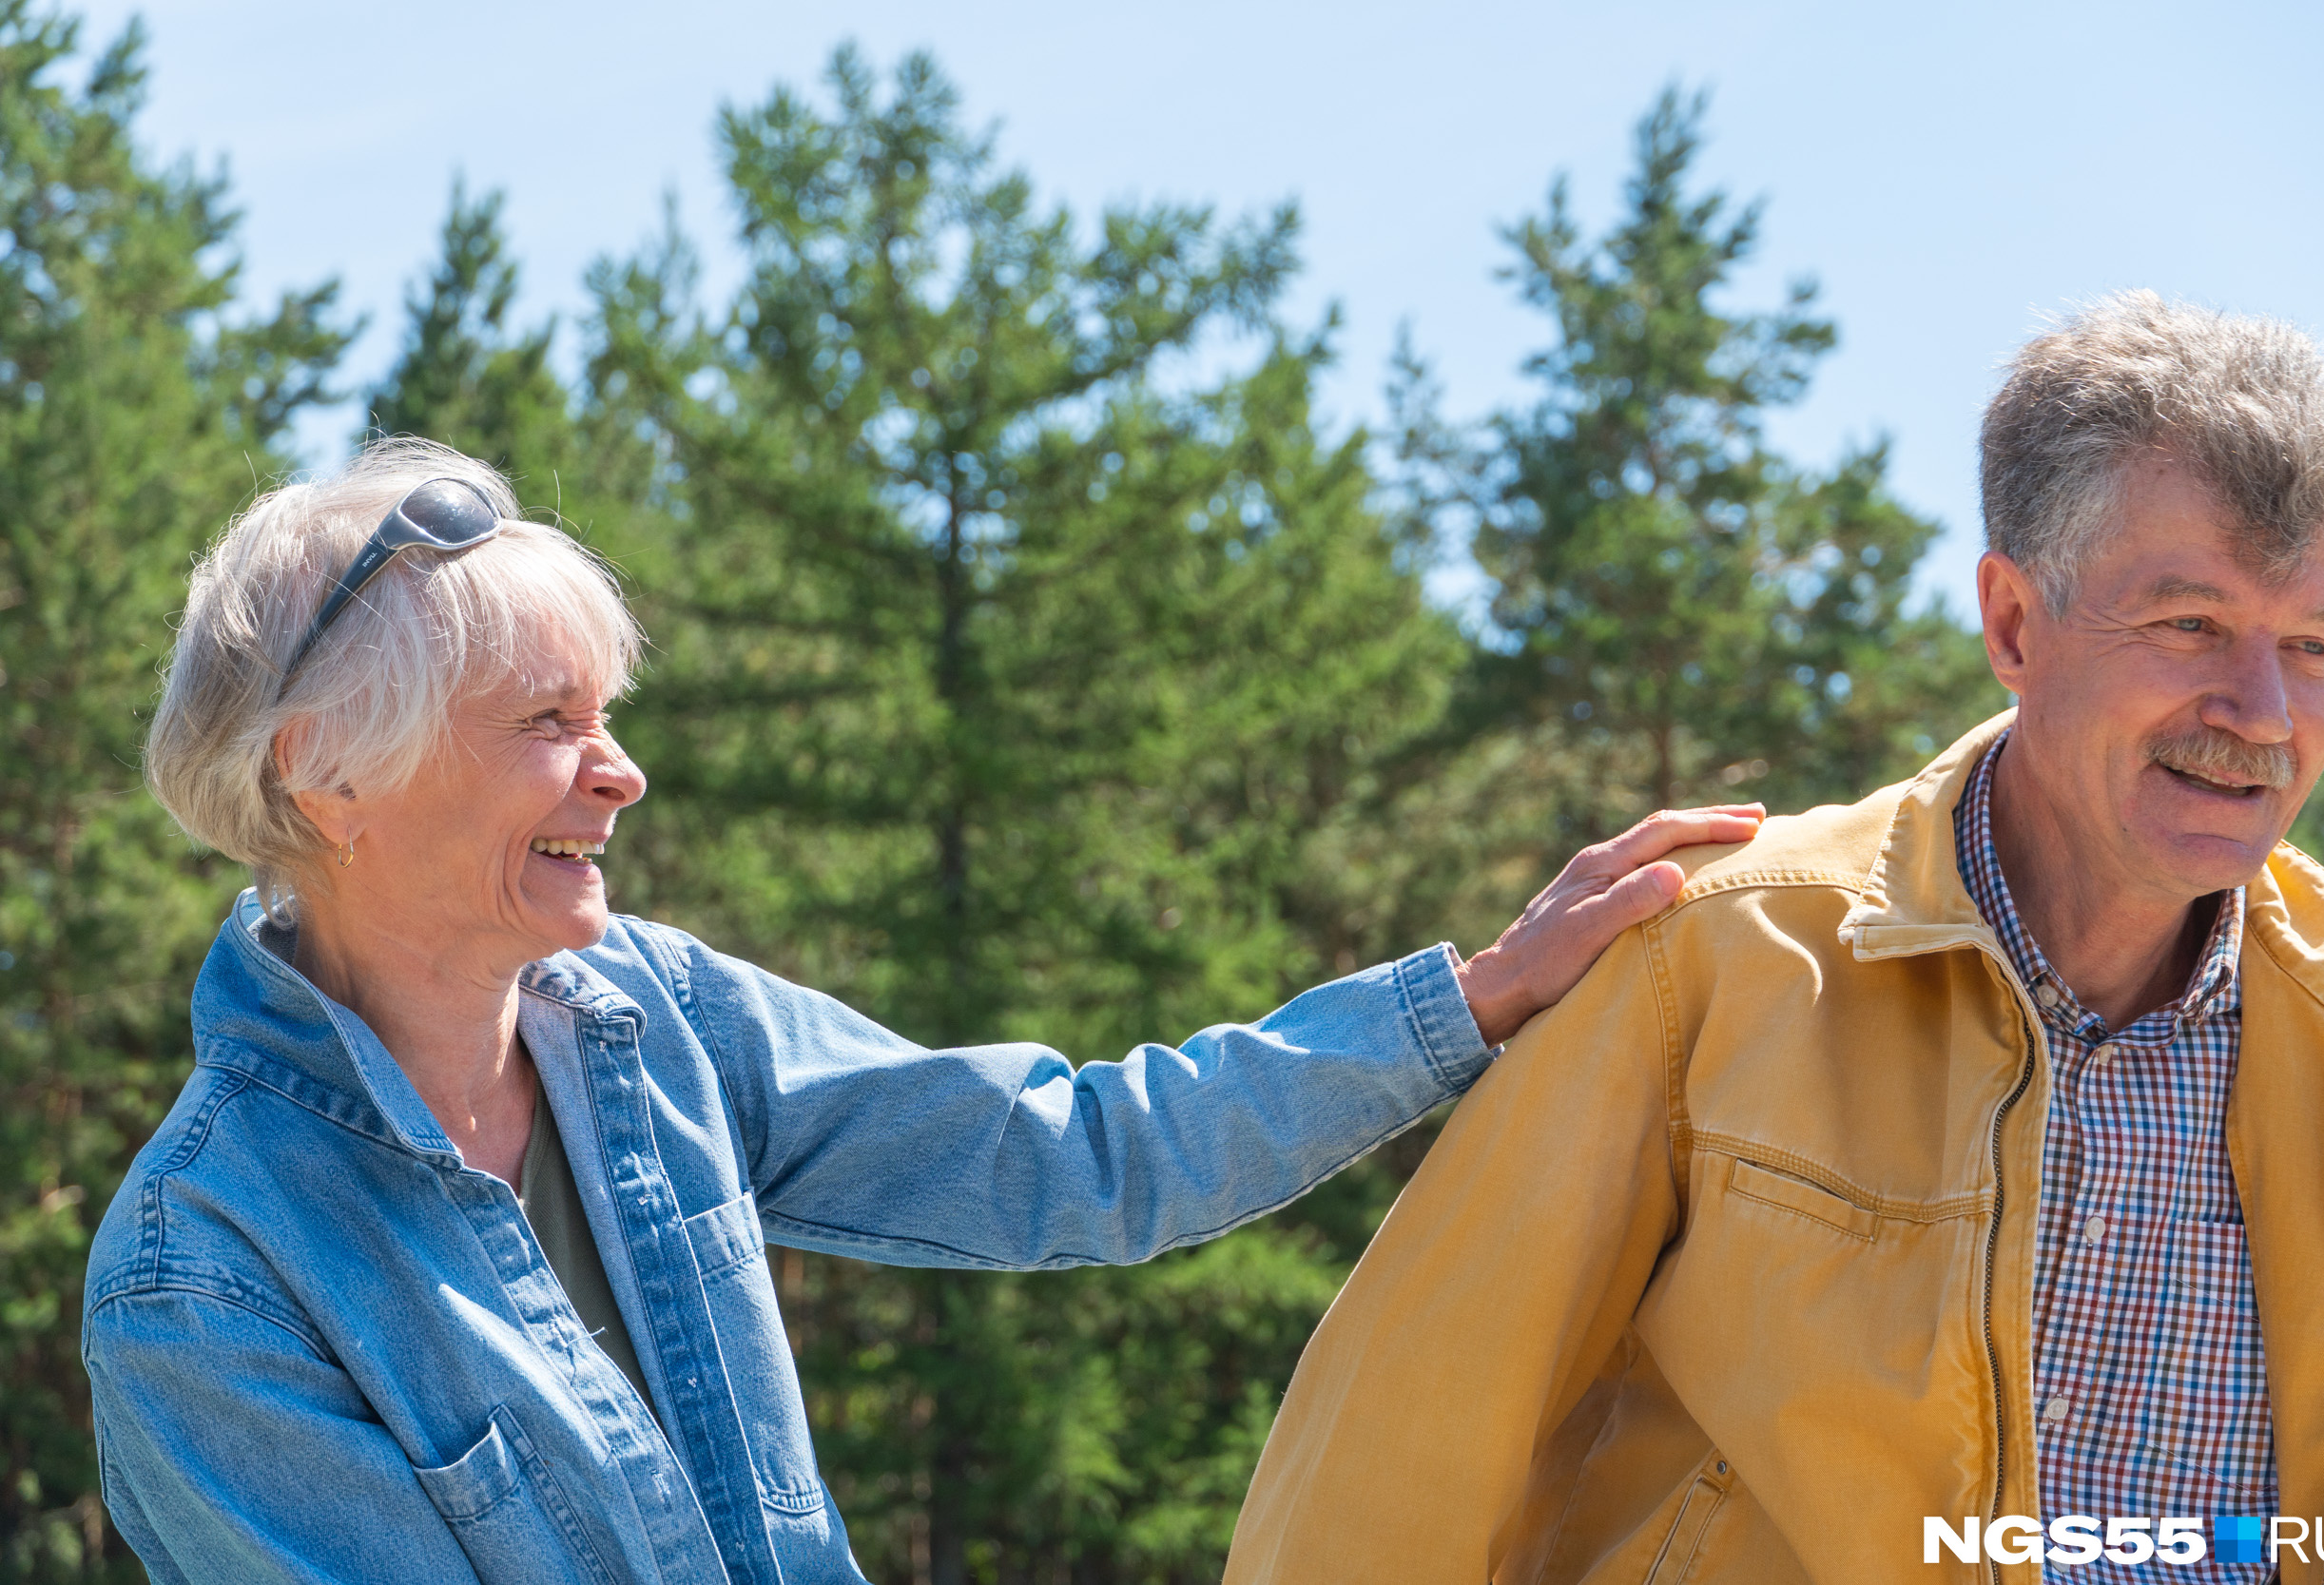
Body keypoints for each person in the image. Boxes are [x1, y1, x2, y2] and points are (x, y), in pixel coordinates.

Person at [81, 436, 1758, 1584]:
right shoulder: (205, 1277)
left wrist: (1465, 1000)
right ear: (328, 775)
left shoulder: (654, 1019)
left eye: (610, 711)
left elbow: (1080, 1157)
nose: (622, 769)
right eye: (546, 720)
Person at [1224, 291, 2324, 1585]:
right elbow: (1399, 1466)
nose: (2263, 713)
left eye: (2313, 648)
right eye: (2192, 626)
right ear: (2012, 623)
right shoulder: (1707, 960)